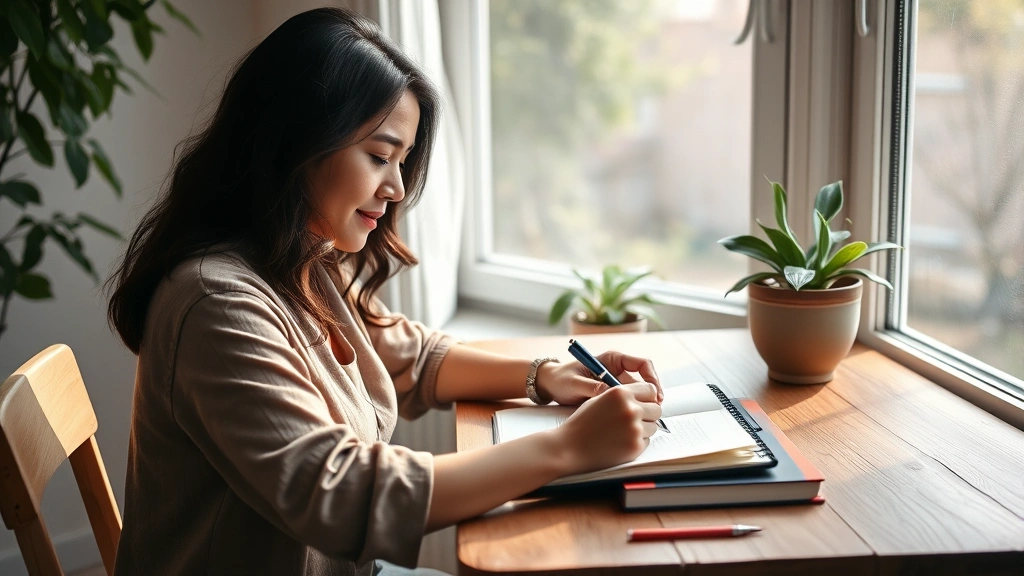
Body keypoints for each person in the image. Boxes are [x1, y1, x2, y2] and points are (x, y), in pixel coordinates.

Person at [106, 7, 663, 576]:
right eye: (379, 156)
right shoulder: (215, 304)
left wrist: (543, 374)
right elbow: (339, 496)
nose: (396, 188)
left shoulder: (300, 262)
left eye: (401, 161)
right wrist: (567, 449)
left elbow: (412, 358)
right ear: (294, 141)